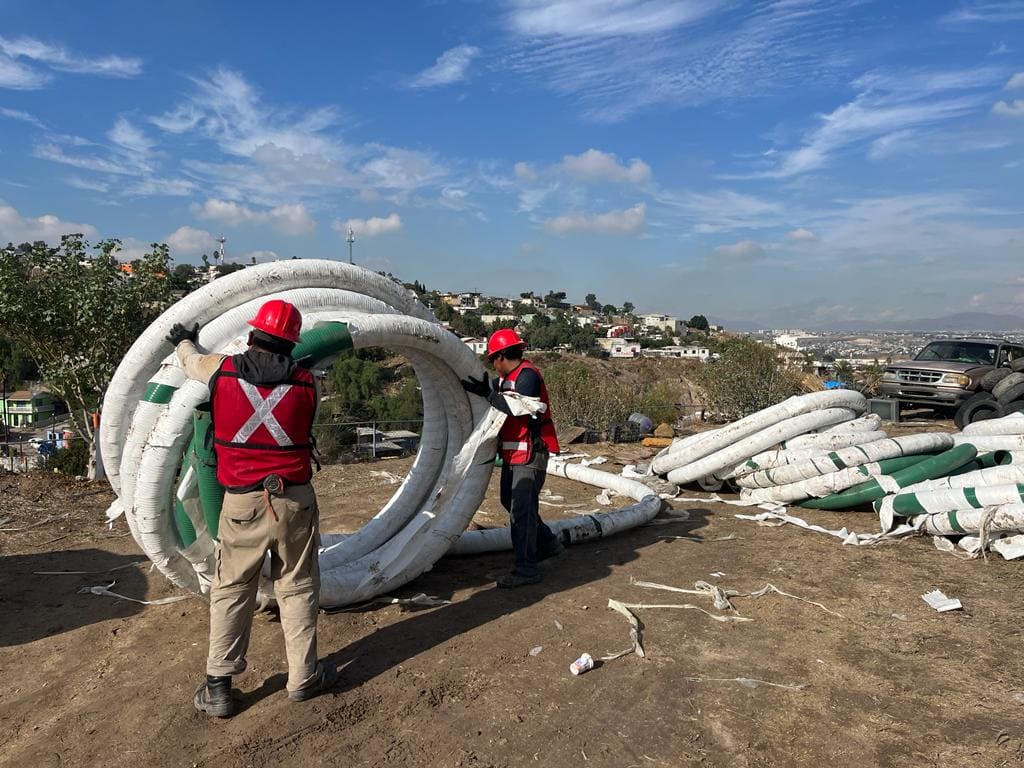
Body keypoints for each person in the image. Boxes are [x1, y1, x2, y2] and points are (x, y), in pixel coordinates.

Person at [166, 298, 337, 718]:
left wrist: (185, 342)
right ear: (292, 344)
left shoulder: (221, 371)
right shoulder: (307, 383)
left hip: (242, 502)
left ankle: (219, 686)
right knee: (296, 586)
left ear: (251, 334)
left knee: (232, 588)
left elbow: (191, 362)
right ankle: (303, 677)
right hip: (295, 500)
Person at [461, 329, 563, 588]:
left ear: (501, 356)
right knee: (511, 501)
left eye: (493, 359)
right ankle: (547, 543)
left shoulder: (527, 376)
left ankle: (526, 569)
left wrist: (489, 394)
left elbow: (520, 408)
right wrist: (481, 389)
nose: (493, 365)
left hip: (530, 453)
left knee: (521, 510)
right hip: (514, 453)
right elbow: (495, 394)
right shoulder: (505, 379)